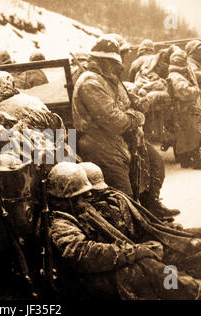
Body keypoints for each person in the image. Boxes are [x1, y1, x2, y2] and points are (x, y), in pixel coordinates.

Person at [47, 162, 201, 300]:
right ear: (66, 199)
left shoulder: (84, 210)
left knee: (184, 246)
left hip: (114, 261)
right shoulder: (61, 222)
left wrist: (151, 242)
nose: (88, 199)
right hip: (89, 279)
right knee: (155, 271)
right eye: (82, 195)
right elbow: (83, 254)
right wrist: (136, 251)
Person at [72, 36, 178, 219]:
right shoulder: (91, 82)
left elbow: (126, 106)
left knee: (154, 164)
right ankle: (131, 230)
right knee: (123, 193)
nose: (117, 67)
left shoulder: (108, 79)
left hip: (118, 139)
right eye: (114, 62)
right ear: (103, 61)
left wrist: (133, 115)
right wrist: (137, 118)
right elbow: (114, 120)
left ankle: (150, 208)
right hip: (99, 143)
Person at [167, 49, 201, 170]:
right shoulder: (177, 77)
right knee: (196, 134)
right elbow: (184, 92)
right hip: (187, 110)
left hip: (183, 109)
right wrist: (196, 90)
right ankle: (198, 161)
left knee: (185, 136)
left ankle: (185, 161)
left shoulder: (176, 75)